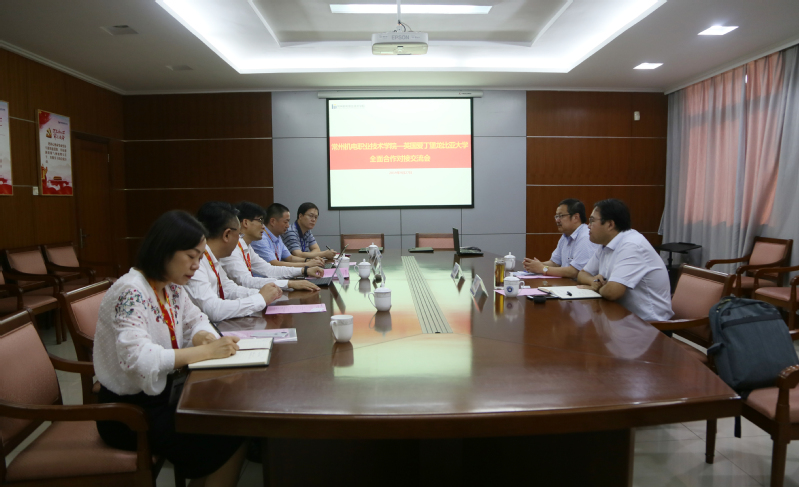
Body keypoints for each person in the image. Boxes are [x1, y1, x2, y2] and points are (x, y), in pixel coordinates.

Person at [93, 210, 247, 485]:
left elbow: (197, 319)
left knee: (232, 422)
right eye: (191, 256)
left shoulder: (171, 287)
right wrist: (206, 351)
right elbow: (138, 359)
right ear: (164, 250)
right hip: (129, 413)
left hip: (165, 395)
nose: (196, 266)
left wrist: (203, 337)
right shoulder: (131, 291)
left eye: (200, 258)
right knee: (228, 435)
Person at [576, 199, 673, 322]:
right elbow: (582, 274)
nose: (588, 226)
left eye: (592, 221)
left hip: (649, 325)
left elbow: (612, 292)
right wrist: (594, 282)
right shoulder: (605, 244)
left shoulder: (632, 245)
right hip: (621, 317)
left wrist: (596, 288)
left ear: (610, 224)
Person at [185, 201, 283, 322]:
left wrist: (262, 294)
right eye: (239, 234)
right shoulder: (196, 263)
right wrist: (261, 298)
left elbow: (229, 289)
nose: (239, 240)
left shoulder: (212, 258)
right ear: (227, 235)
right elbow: (214, 310)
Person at [220, 201, 323, 292]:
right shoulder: (232, 249)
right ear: (246, 223)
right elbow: (245, 281)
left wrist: (304, 270)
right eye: (260, 221)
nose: (263, 226)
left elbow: (269, 269)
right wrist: (290, 283)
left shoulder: (246, 246)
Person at [523, 198, 599, 278]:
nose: (557, 220)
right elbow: (555, 263)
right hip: (566, 283)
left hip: (579, 284)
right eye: (556, 216)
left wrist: (542, 268)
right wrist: (535, 265)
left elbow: (575, 271)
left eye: (561, 216)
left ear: (576, 217)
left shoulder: (586, 237)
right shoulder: (566, 236)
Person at [251, 203, 324, 268]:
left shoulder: (277, 236)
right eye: (285, 222)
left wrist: (309, 260)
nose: (288, 226)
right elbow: (274, 264)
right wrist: (307, 264)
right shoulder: (260, 238)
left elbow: (290, 258)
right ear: (273, 221)